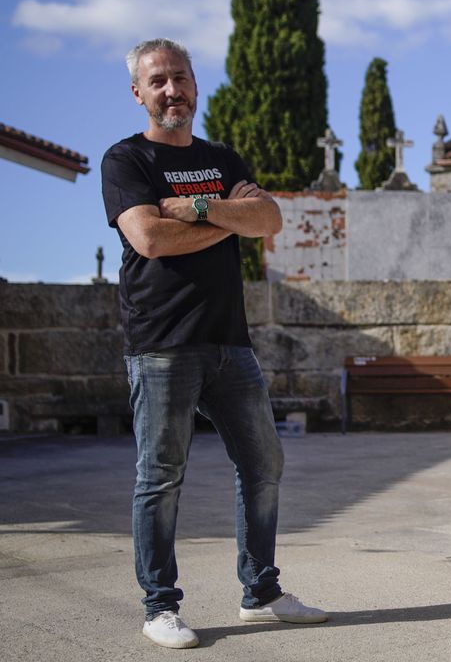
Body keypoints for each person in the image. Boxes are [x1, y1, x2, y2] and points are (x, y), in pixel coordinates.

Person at [101, 38, 327, 649]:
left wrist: (196, 207)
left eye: (180, 78)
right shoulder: (126, 161)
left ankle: (261, 592)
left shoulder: (221, 157)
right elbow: (148, 238)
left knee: (263, 465)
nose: (171, 90)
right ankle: (160, 607)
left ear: (195, 85)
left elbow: (270, 221)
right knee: (161, 476)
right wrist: (227, 216)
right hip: (161, 343)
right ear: (139, 93)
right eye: (158, 81)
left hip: (231, 343)